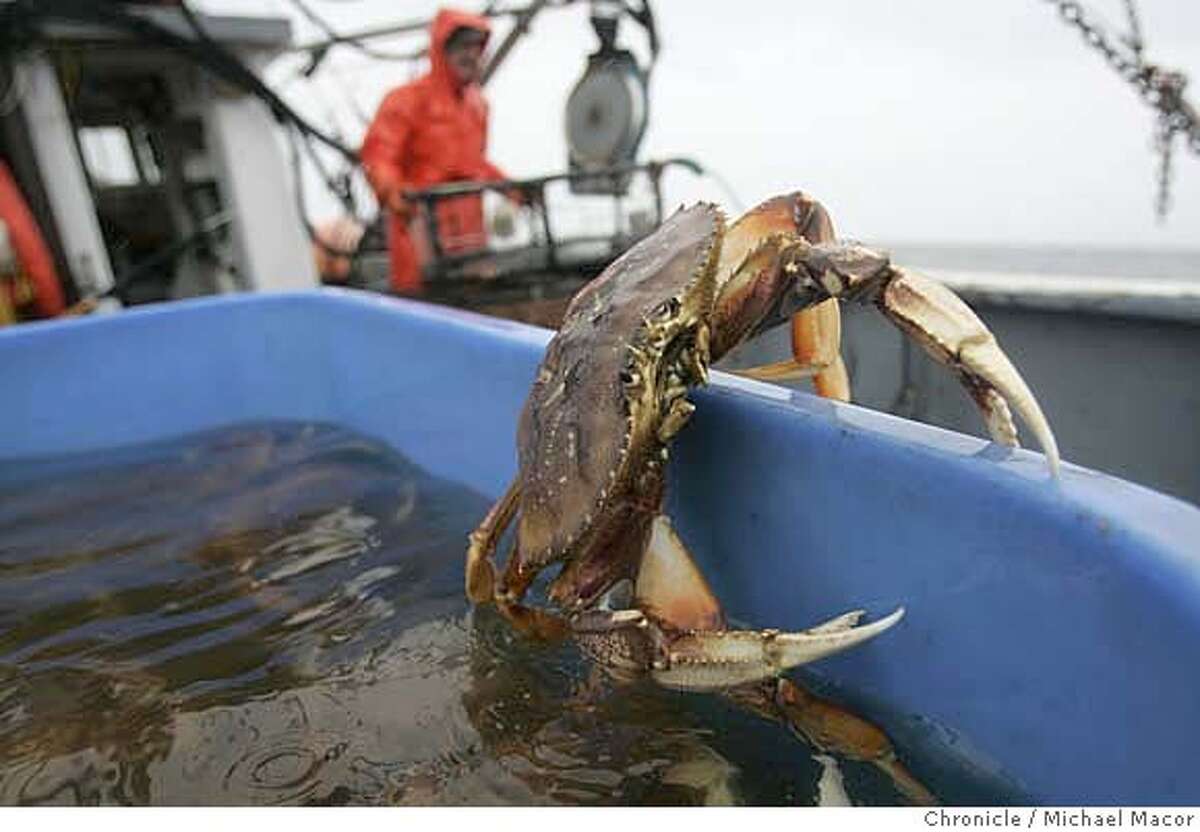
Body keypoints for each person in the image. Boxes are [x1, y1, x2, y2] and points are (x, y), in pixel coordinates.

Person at [360, 8, 514, 294]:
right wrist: (394, 194)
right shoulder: (404, 100)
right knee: (425, 308)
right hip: (420, 239)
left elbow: (474, 164)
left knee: (476, 305)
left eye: (475, 48)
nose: (470, 55)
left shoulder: (477, 105)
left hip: (470, 241)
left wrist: (513, 190)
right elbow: (378, 155)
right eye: (462, 47)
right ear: (441, 50)